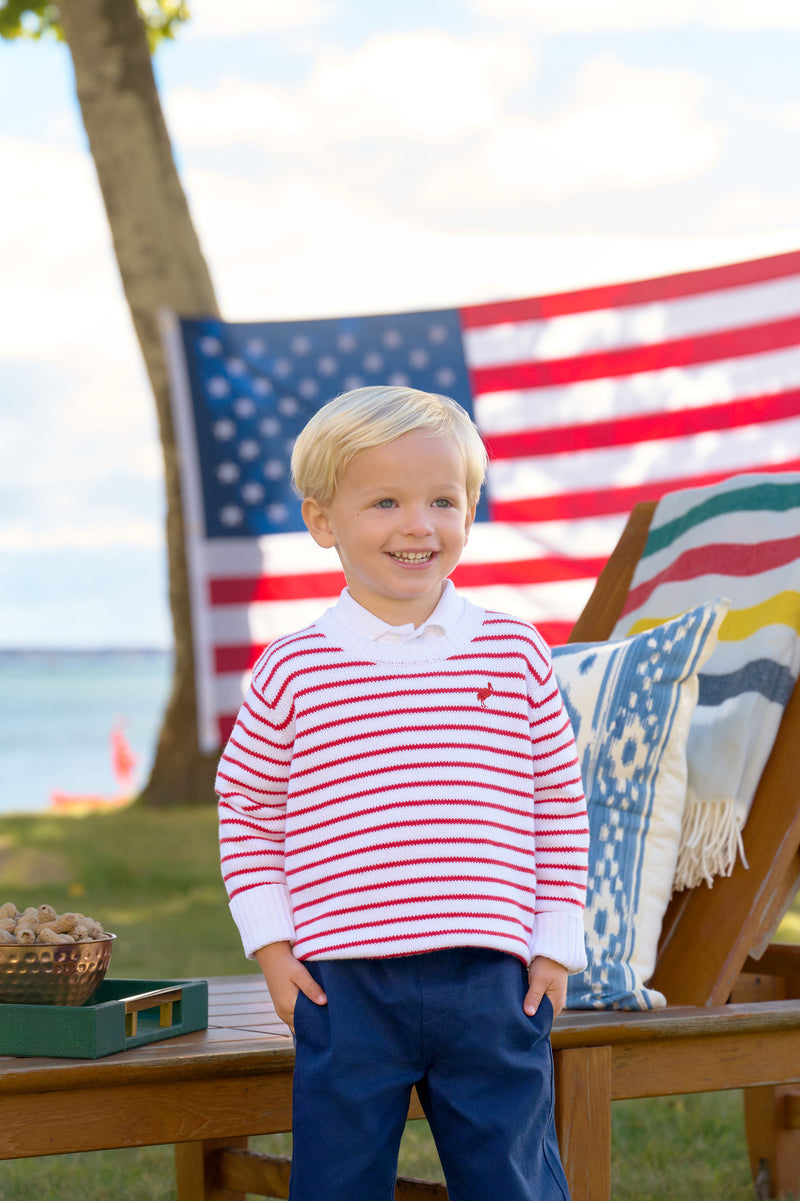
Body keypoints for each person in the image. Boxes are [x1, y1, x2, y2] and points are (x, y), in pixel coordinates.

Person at [216, 385, 589, 1201]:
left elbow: (559, 804)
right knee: (338, 1180)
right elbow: (246, 811)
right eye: (385, 500)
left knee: (512, 1178)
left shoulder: (514, 650)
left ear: (469, 509)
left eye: (441, 500)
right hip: (344, 981)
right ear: (323, 521)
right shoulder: (292, 669)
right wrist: (273, 947)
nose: (418, 524)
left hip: (492, 976)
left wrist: (555, 938)